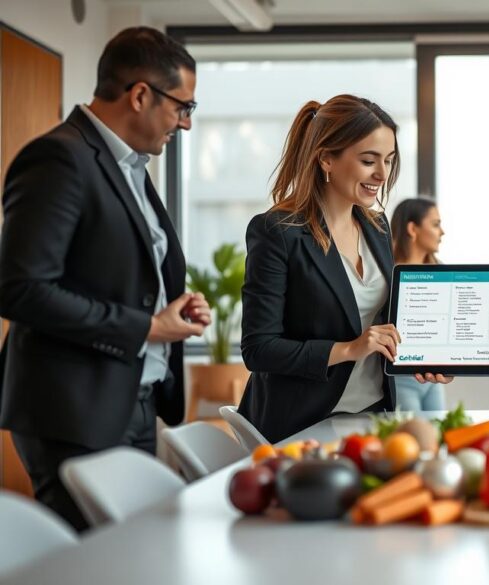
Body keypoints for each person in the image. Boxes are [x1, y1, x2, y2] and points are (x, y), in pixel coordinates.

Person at [0, 27, 211, 531]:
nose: (184, 123)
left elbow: (117, 274)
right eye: (183, 107)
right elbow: (20, 288)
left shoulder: (131, 167)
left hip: (132, 400)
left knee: (135, 558)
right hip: (75, 411)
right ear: (140, 94)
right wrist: (146, 327)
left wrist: (171, 311)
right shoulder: (60, 158)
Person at [238, 95, 449, 444]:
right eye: (368, 160)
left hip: (374, 417)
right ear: (326, 159)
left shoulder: (378, 226)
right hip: (303, 425)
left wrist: (423, 356)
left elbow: (381, 322)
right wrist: (349, 348)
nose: (381, 174)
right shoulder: (277, 231)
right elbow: (259, 349)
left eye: (389, 160)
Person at [389, 197, 446, 411]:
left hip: (433, 380)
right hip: (400, 380)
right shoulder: (386, 273)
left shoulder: (441, 271)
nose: (442, 232)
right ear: (412, 228)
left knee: (438, 435)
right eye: (435, 224)